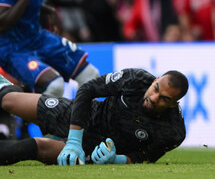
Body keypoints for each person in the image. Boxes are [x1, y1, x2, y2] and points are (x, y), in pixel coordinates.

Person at [0, 68, 188, 165]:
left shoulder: (173, 132)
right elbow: (87, 89)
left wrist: (116, 159)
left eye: (164, 99)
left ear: (174, 104)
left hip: (94, 149)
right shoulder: (136, 79)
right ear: (155, 80)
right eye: (155, 89)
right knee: (9, 100)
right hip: (84, 115)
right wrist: (74, 140)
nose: (153, 98)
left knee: (30, 148)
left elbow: (145, 157)